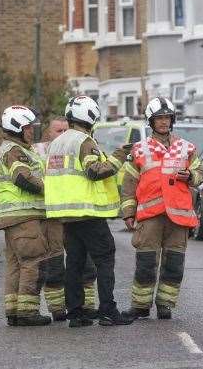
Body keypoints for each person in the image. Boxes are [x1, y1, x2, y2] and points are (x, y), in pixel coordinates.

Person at [44, 96, 133, 327]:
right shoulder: (84, 141)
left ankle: (76, 313)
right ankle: (107, 311)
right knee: (105, 258)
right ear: (91, 117)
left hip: (65, 214)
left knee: (74, 263)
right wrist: (119, 156)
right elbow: (95, 171)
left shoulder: (57, 143)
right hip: (87, 212)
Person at [122, 97, 203, 320]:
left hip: (178, 216)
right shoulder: (139, 150)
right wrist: (128, 213)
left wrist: (191, 176)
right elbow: (129, 184)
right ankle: (140, 306)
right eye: (159, 118)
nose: (164, 122)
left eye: (167, 117)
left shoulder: (187, 148)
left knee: (174, 264)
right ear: (151, 121)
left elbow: (200, 174)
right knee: (146, 263)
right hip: (150, 216)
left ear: (172, 119)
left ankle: (165, 304)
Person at [0, 105, 55, 326]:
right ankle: (28, 312)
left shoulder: (14, 148)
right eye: (28, 128)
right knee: (33, 261)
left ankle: (14, 311)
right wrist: (49, 189)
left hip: (13, 218)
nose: (31, 131)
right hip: (24, 217)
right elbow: (22, 177)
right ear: (17, 128)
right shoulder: (14, 151)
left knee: (16, 265)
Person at [34, 117, 100, 320]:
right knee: (54, 264)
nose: (62, 134)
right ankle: (57, 309)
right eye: (58, 131)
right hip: (51, 216)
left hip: (76, 214)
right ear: (48, 133)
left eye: (65, 130)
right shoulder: (37, 152)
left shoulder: (78, 146)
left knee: (85, 262)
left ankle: (87, 305)